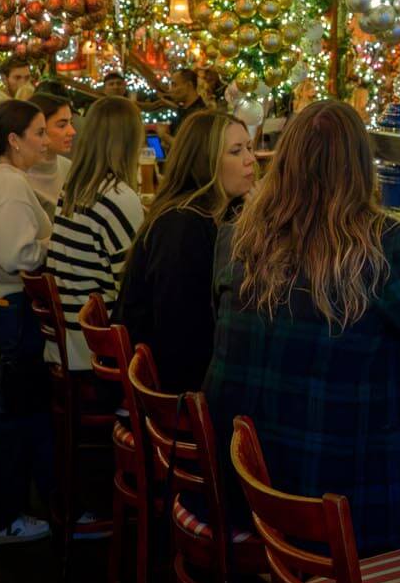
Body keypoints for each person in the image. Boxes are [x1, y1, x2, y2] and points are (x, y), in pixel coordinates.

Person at [208, 101, 400, 557]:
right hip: (343, 513)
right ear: (359, 168)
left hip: (242, 490)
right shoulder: (380, 244)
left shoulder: (238, 236)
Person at [118, 111, 256, 392]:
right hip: (170, 393)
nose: (250, 159)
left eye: (249, 147)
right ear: (205, 162)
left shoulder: (218, 214)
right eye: (236, 151)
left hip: (180, 376)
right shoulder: (183, 226)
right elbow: (181, 336)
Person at [0, 100, 54, 545]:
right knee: (17, 416)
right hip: (19, 304)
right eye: (39, 132)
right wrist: (50, 244)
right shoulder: (9, 184)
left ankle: (33, 503)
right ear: (14, 139)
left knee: (24, 413)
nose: (45, 142)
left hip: (7, 304)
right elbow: (14, 254)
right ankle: (0, 517)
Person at [46, 98, 145, 371]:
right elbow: (130, 286)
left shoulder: (75, 187)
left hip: (69, 337)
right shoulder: (118, 197)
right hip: (96, 349)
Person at [28, 91, 76, 211]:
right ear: (39, 129)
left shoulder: (68, 167)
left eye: (71, 123)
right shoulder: (20, 176)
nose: (72, 131)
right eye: (61, 125)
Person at [155, 69, 204, 148]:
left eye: (174, 85)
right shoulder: (183, 110)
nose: (171, 90)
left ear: (189, 85)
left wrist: (164, 135)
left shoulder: (200, 114)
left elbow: (188, 148)